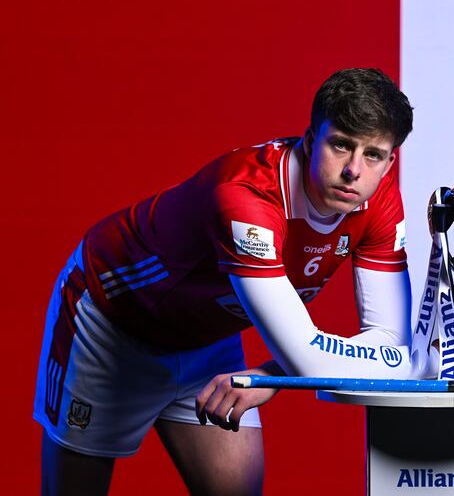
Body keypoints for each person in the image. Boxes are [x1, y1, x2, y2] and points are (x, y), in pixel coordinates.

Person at [34, 68, 431, 495]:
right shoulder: (247, 197)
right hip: (114, 326)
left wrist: (272, 373)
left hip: (208, 341)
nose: (354, 170)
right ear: (310, 139)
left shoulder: (378, 197)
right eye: (340, 145)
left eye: (373, 155)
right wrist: (415, 364)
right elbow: (327, 362)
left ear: (390, 162)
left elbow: (389, 342)